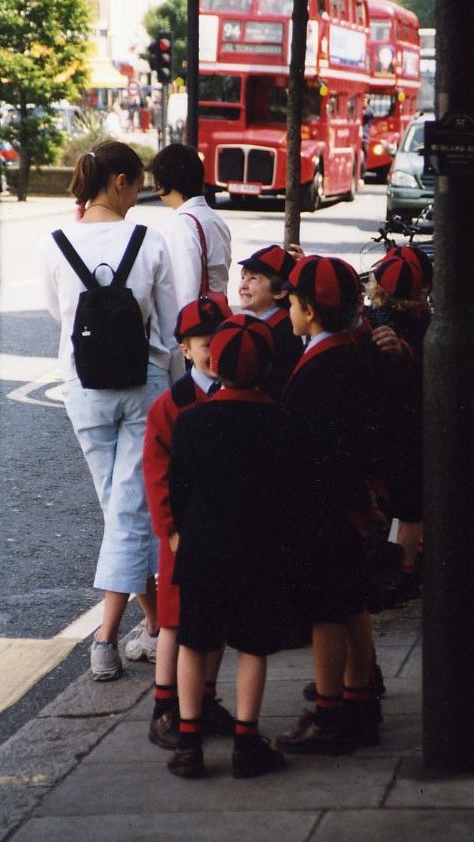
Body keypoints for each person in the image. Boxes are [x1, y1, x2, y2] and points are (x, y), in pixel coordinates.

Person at [40, 141, 185, 681]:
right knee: (129, 511)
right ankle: (105, 641)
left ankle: (149, 626)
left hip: (82, 386)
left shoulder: (56, 241)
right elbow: (169, 326)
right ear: (120, 182)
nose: (141, 192)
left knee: (121, 509)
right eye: (137, 182)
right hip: (143, 384)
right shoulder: (148, 240)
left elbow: (60, 312)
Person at [166, 314, 296, 779]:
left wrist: (182, 533)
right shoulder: (281, 420)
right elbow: (287, 493)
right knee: (252, 646)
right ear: (267, 366)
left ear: (214, 364)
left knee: (193, 642)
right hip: (259, 550)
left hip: (202, 548)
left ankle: (187, 743)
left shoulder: (192, 422)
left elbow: (177, 490)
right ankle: (246, 741)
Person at [276, 255, 381, 756]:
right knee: (353, 603)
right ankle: (360, 701)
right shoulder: (353, 351)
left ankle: (330, 713)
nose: (289, 309)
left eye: (293, 301)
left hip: (323, 511)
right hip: (349, 507)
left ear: (310, 311)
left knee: (325, 612)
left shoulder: (320, 371)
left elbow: (320, 453)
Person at [142, 297, 235, 751]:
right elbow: (155, 472)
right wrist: (169, 530)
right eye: (203, 343)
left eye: (220, 341)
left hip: (219, 530)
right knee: (175, 622)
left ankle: (204, 699)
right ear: (184, 348)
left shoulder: (234, 394)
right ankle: (164, 706)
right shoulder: (171, 403)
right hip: (180, 533)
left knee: (215, 619)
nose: (212, 352)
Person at [365, 245, 432, 602]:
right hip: (414, 430)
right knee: (410, 506)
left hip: (380, 428)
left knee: (388, 502)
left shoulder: (371, 320)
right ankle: (407, 568)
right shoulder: (428, 325)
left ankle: (393, 571)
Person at [150, 143, 232, 310]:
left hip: (194, 326)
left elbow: (184, 290)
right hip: (216, 315)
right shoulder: (214, 218)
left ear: (162, 183)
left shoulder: (183, 223)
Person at [236, 245, 304, 398]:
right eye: (243, 277)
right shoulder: (273, 325)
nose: (243, 286)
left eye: (253, 278)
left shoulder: (280, 333)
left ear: (279, 292)